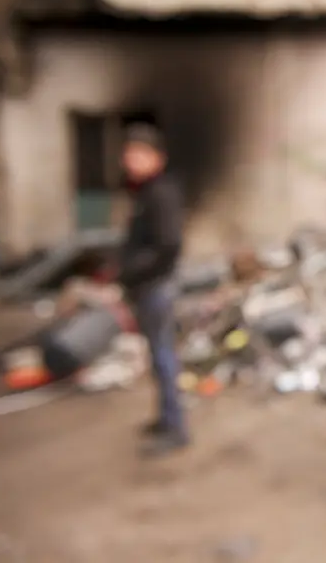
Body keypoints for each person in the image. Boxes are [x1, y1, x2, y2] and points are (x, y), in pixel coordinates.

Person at [119, 123, 189, 457]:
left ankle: (176, 428)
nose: (130, 160)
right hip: (146, 287)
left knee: (163, 356)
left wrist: (134, 272)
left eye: (138, 153)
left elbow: (169, 245)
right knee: (157, 355)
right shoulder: (144, 191)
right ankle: (165, 417)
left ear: (156, 157)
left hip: (155, 288)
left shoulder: (161, 193)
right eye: (128, 152)